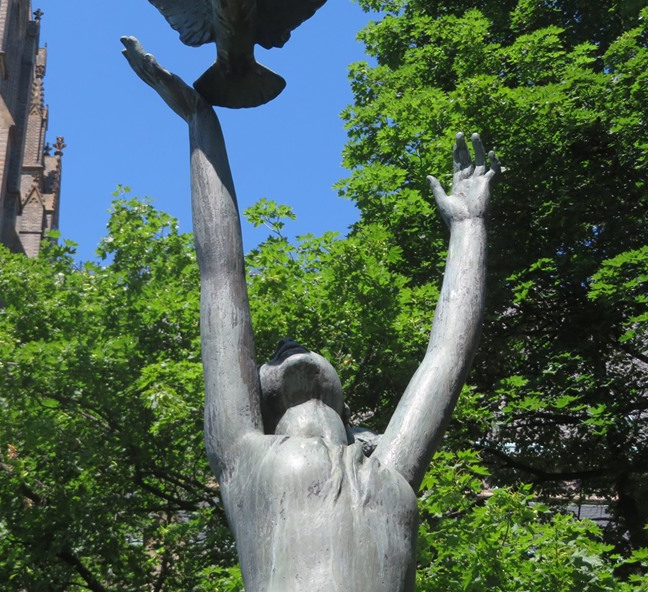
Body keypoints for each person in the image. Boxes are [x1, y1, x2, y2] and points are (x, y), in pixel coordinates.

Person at [122, 37, 501, 592]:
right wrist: (199, 120)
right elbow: (221, 275)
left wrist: (469, 228)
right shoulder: (245, 456)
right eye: (273, 355)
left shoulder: (387, 465)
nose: (287, 345)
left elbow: (446, 356)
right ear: (257, 397)